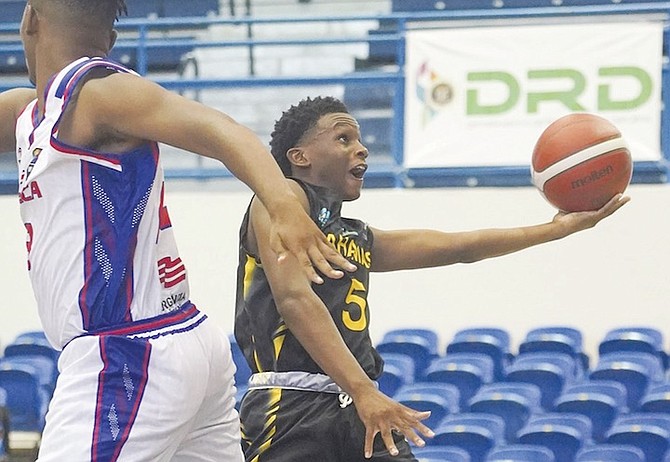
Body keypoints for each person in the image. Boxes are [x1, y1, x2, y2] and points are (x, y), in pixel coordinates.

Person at [0, 2, 356, 461]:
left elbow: (223, 131)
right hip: (180, 338)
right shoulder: (33, 110)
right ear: (109, 37)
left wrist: (286, 206)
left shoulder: (98, 96)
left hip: (126, 352)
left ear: (29, 19)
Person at [234, 96, 630, 461]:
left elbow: (460, 247)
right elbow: (295, 300)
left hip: (357, 401)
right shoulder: (279, 201)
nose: (362, 147)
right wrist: (363, 390)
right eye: (342, 137)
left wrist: (556, 229)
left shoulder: (355, 235)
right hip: (290, 404)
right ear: (299, 156)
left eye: (358, 138)